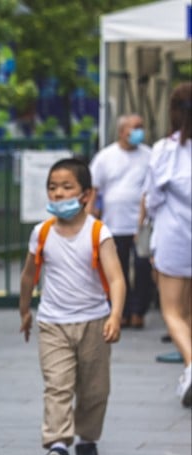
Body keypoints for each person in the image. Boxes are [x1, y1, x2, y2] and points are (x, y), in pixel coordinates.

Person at [18, 158, 126, 455]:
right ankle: (58, 445)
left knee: (95, 390)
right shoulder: (42, 232)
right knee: (58, 385)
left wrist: (116, 314)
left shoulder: (98, 231)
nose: (59, 193)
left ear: (85, 194)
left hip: (94, 321)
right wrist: (25, 310)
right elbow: (27, 276)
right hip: (52, 323)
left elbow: (117, 278)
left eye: (67, 187)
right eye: (53, 187)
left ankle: (88, 440)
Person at [144, 83, 192, 407]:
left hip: (174, 238)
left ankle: (191, 366)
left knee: (172, 311)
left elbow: (153, 199)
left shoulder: (164, 149)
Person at [89, 114, 154, 328]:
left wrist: (143, 221)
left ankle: (138, 310)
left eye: (141, 127)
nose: (139, 131)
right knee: (118, 270)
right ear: (121, 131)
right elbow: (94, 191)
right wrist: (90, 221)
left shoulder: (149, 156)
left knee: (144, 268)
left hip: (141, 225)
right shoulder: (105, 157)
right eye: (135, 127)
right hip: (113, 224)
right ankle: (122, 312)